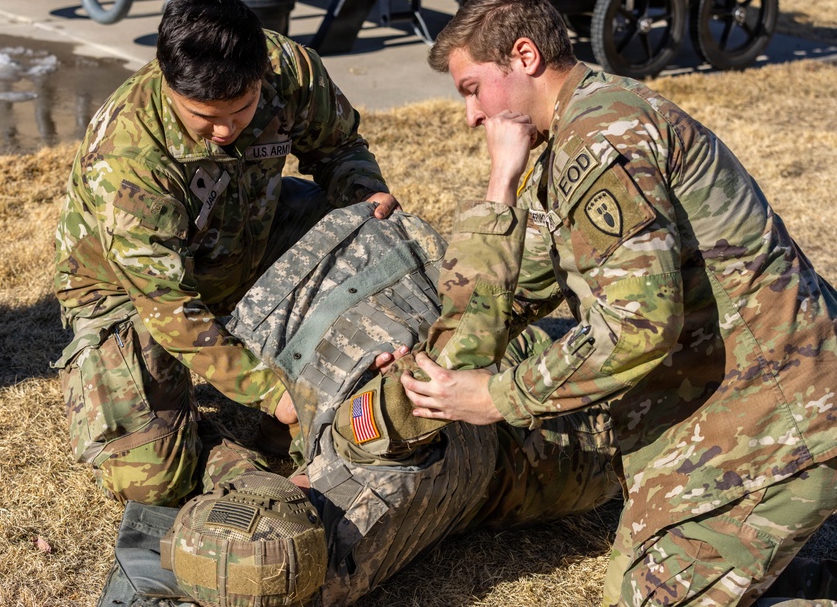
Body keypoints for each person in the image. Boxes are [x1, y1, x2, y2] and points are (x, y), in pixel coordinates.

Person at [400, 0, 837, 605]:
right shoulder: (574, 140)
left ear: (525, 57)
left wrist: (502, 395)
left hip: (778, 419)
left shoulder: (602, 136)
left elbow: (639, 326)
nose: (470, 116)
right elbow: (507, 300)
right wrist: (500, 189)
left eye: (473, 89)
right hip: (725, 404)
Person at [149, 202, 621, 607]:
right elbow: (466, 338)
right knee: (616, 400)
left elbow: (230, 478)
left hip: (486, 488)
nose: (242, 486)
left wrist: (207, 445)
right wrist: (502, 188)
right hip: (529, 459)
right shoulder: (365, 445)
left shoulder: (293, 584)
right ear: (299, 508)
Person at [51, 0, 399, 507]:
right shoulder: (128, 156)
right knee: (149, 478)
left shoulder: (290, 70)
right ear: (168, 84)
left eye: (241, 110)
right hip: (132, 295)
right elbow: (169, 304)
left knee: (365, 228)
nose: (223, 130)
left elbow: (341, 147)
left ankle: (350, 381)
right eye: (202, 116)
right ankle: (241, 459)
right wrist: (271, 392)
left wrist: (362, 199)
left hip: (248, 239)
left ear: (262, 73)